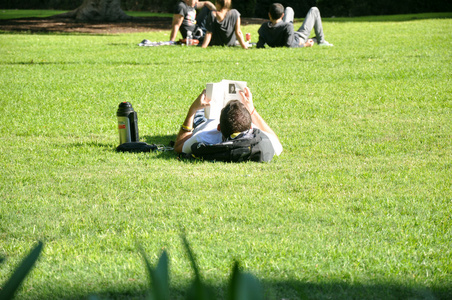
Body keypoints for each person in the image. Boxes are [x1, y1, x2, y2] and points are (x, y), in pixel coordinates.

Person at [174, 87, 282, 161]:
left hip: (205, 121)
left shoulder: (204, 136)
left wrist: (192, 109)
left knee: (202, 110)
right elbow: (275, 140)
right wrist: (252, 109)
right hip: (221, 121)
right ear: (250, 127)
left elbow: (178, 146)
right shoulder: (259, 140)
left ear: (218, 128)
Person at [257, 3, 333, 48]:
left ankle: (316, 39)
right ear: (282, 15)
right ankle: (321, 41)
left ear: (269, 14)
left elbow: (259, 45)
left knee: (289, 9)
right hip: (299, 38)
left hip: (287, 34)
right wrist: (305, 45)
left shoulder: (264, 27)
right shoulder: (287, 26)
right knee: (314, 9)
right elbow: (290, 45)